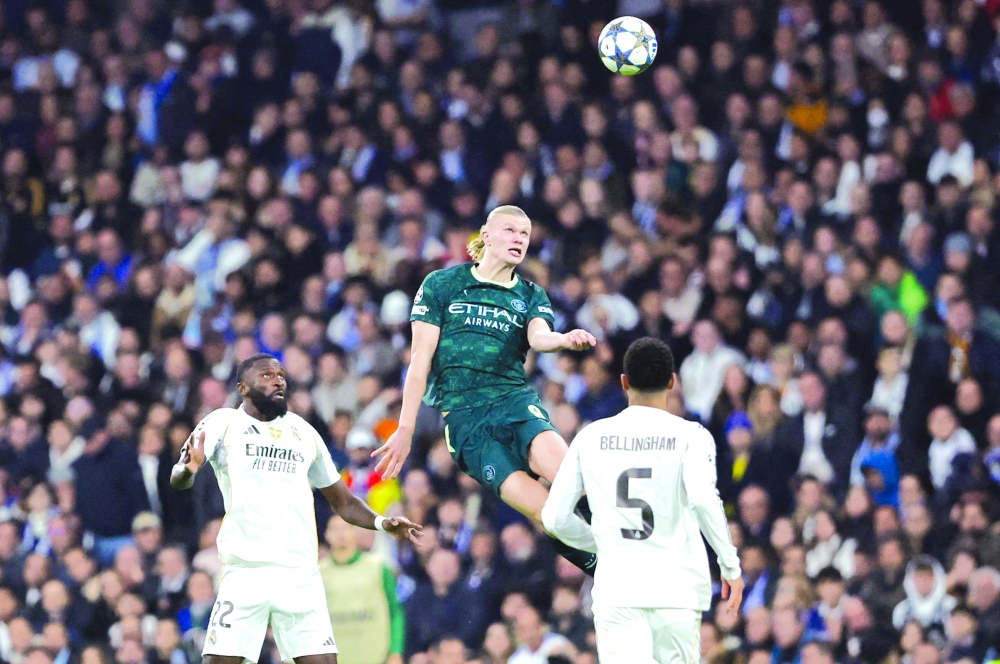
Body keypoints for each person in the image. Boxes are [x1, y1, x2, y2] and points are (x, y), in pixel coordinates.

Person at [372, 205, 599, 574]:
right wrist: (406, 428)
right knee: (549, 514)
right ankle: (604, 570)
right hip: (467, 425)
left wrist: (562, 340)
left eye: (525, 234)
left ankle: (633, 552)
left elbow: (538, 337)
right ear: (486, 235)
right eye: (510, 230)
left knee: (575, 483)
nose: (519, 239)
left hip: (515, 404)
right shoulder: (442, 285)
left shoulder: (529, 294)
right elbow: (420, 360)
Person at [169, 354, 422, 664]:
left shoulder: (303, 432)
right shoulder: (224, 422)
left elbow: (342, 501)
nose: (278, 380)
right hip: (247, 571)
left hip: (299, 573)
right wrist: (188, 469)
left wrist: (382, 523)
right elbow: (178, 479)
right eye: (265, 376)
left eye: (281, 375)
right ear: (242, 388)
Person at [541, 337, 744, 664]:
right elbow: (706, 501)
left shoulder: (590, 436)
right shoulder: (692, 436)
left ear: (623, 383)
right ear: (671, 381)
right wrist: (729, 565)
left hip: (618, 591)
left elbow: (553, 519)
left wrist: (599, 544)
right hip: (677, 590)